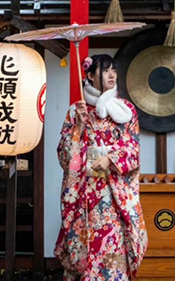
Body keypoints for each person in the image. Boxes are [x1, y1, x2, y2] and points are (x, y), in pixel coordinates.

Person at [54, 54, 148, 281]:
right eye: (106, 70)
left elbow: (133, 149)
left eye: (114, 70)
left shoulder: (126, 110)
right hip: (85, 193)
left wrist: (110, 160)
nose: (112, 75)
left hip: (114, 194)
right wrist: (78, 128)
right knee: (83, 245)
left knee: (113, 249)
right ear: (89, 75)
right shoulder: (76, 111)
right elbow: (64, 155)